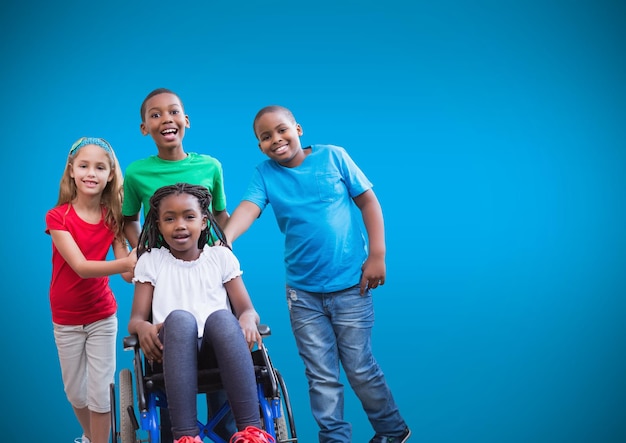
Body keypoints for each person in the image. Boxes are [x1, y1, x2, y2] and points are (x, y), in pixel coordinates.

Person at [223, 106, 411, 443]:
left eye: (282, 130)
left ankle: (392, 430)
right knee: (321, 375)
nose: (276, 140)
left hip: (352, 286)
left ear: (298, 128)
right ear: (260, 146)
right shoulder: (265, 174)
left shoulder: (333, 157)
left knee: (360, 368)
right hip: (303, 294)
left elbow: (368, 201)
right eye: (266, 137)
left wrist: (378, 254)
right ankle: (335, 438)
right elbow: (248, 208)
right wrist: (227, 238)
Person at [122, 87, 234, 440]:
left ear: (185, 121)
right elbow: (127, 219)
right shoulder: (137, 173)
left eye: (173, 112)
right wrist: (143, 252)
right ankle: (176, 433)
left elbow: (219, 214)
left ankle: (229, 429)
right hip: (164, 277)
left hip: (207, 272)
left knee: (220, 339)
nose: (166, 119)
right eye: (155, 115)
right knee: (173, 337)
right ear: (144, 128)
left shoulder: (210, 165)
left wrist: (222, 253)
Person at [127, 183, 275, 443]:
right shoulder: (151, 261)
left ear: (205, 222)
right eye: (169, 219)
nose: (180, 225)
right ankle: (185, 437)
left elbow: (246, 309)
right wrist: (143, 328)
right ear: (159, 225)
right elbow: (136, 320)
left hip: (218, 352)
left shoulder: (220, 257)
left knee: (220, 317)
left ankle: (252, 432)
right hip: (169, 350)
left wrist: (249, 319)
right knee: (181, 319)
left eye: (189, 217)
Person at [45, 137, 137, 443]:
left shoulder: (113, 217)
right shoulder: (58, 217)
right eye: (84, 166)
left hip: (101, 315)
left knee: (100, 392)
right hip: (66, 318)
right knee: (75, 391)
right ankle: (91, 438)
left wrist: (140, 265)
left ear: (110, 174)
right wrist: (127, 263)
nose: (91, 173)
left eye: (100, 167)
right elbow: (82, 267)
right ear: (71, 170)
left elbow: (125, 267)